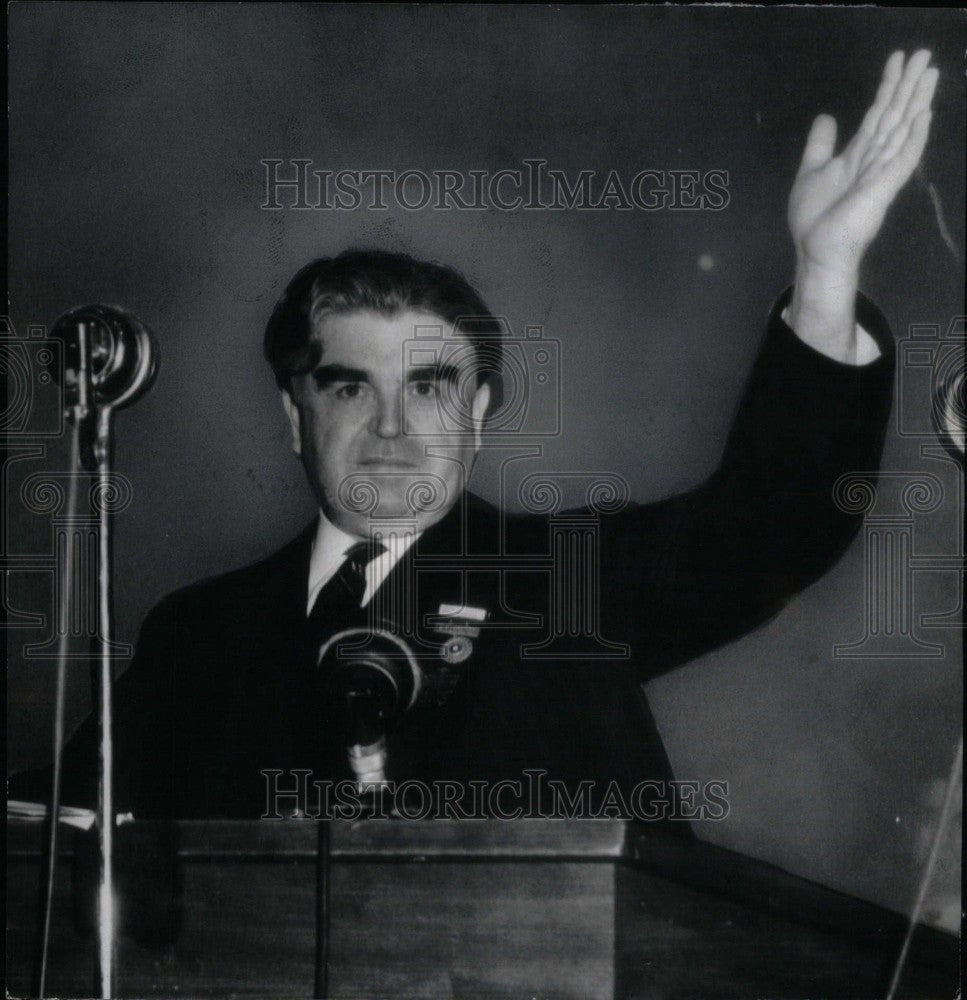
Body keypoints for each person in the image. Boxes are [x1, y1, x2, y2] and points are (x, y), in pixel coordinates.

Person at [12, 51, 938, 823]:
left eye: (427, 386)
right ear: (293, 415)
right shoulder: (199, 635)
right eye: (348, 386)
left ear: (479, 409)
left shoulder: (567, 584)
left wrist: (824, 271)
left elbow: (766, 525)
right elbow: (57, 831)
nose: (388, 427)